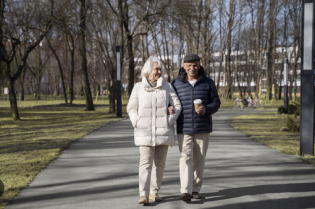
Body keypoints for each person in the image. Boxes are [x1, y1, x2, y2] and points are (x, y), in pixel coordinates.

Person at [127, 56, 182, 204]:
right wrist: (136, 122)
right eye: (156, 69)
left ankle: (154, 192)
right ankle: (143, 194)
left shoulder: (167, 87)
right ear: (148, 70)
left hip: (163, 132)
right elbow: (131, 108)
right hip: (144, 132)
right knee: (145, 164)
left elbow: (177, 106)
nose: (159, 71)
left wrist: (169, 120)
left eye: (160, 69)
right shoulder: (138, 87)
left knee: (160, 165)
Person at [171, 54, 221, 202]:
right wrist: (170, 109)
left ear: (199, 65)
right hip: (183, 127)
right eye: (189, 65)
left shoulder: (208, 82)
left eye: (195, 65)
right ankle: (185, 190)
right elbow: (171, 102)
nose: (192, 68)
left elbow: (216, 103)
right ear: (183, 66)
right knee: (185, 157)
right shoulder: (176, 83)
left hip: (203, 127)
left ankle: (195, 190)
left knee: (199, 159)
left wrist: (207, 109)